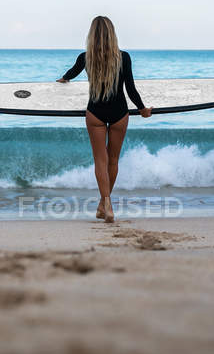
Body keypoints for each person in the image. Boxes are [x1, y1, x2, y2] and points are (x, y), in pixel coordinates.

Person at [57, 16, 152, 223]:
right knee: (113, 160)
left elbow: (71, 73)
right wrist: (143, 109)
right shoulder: (123, 57)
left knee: (100, 160)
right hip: (120, 114)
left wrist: (63, 79)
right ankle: (105, 204)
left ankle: (105, 204)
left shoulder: (85, 58)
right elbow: (131, 90)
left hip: (95, 114)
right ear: (112, 34)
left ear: (92, 35)